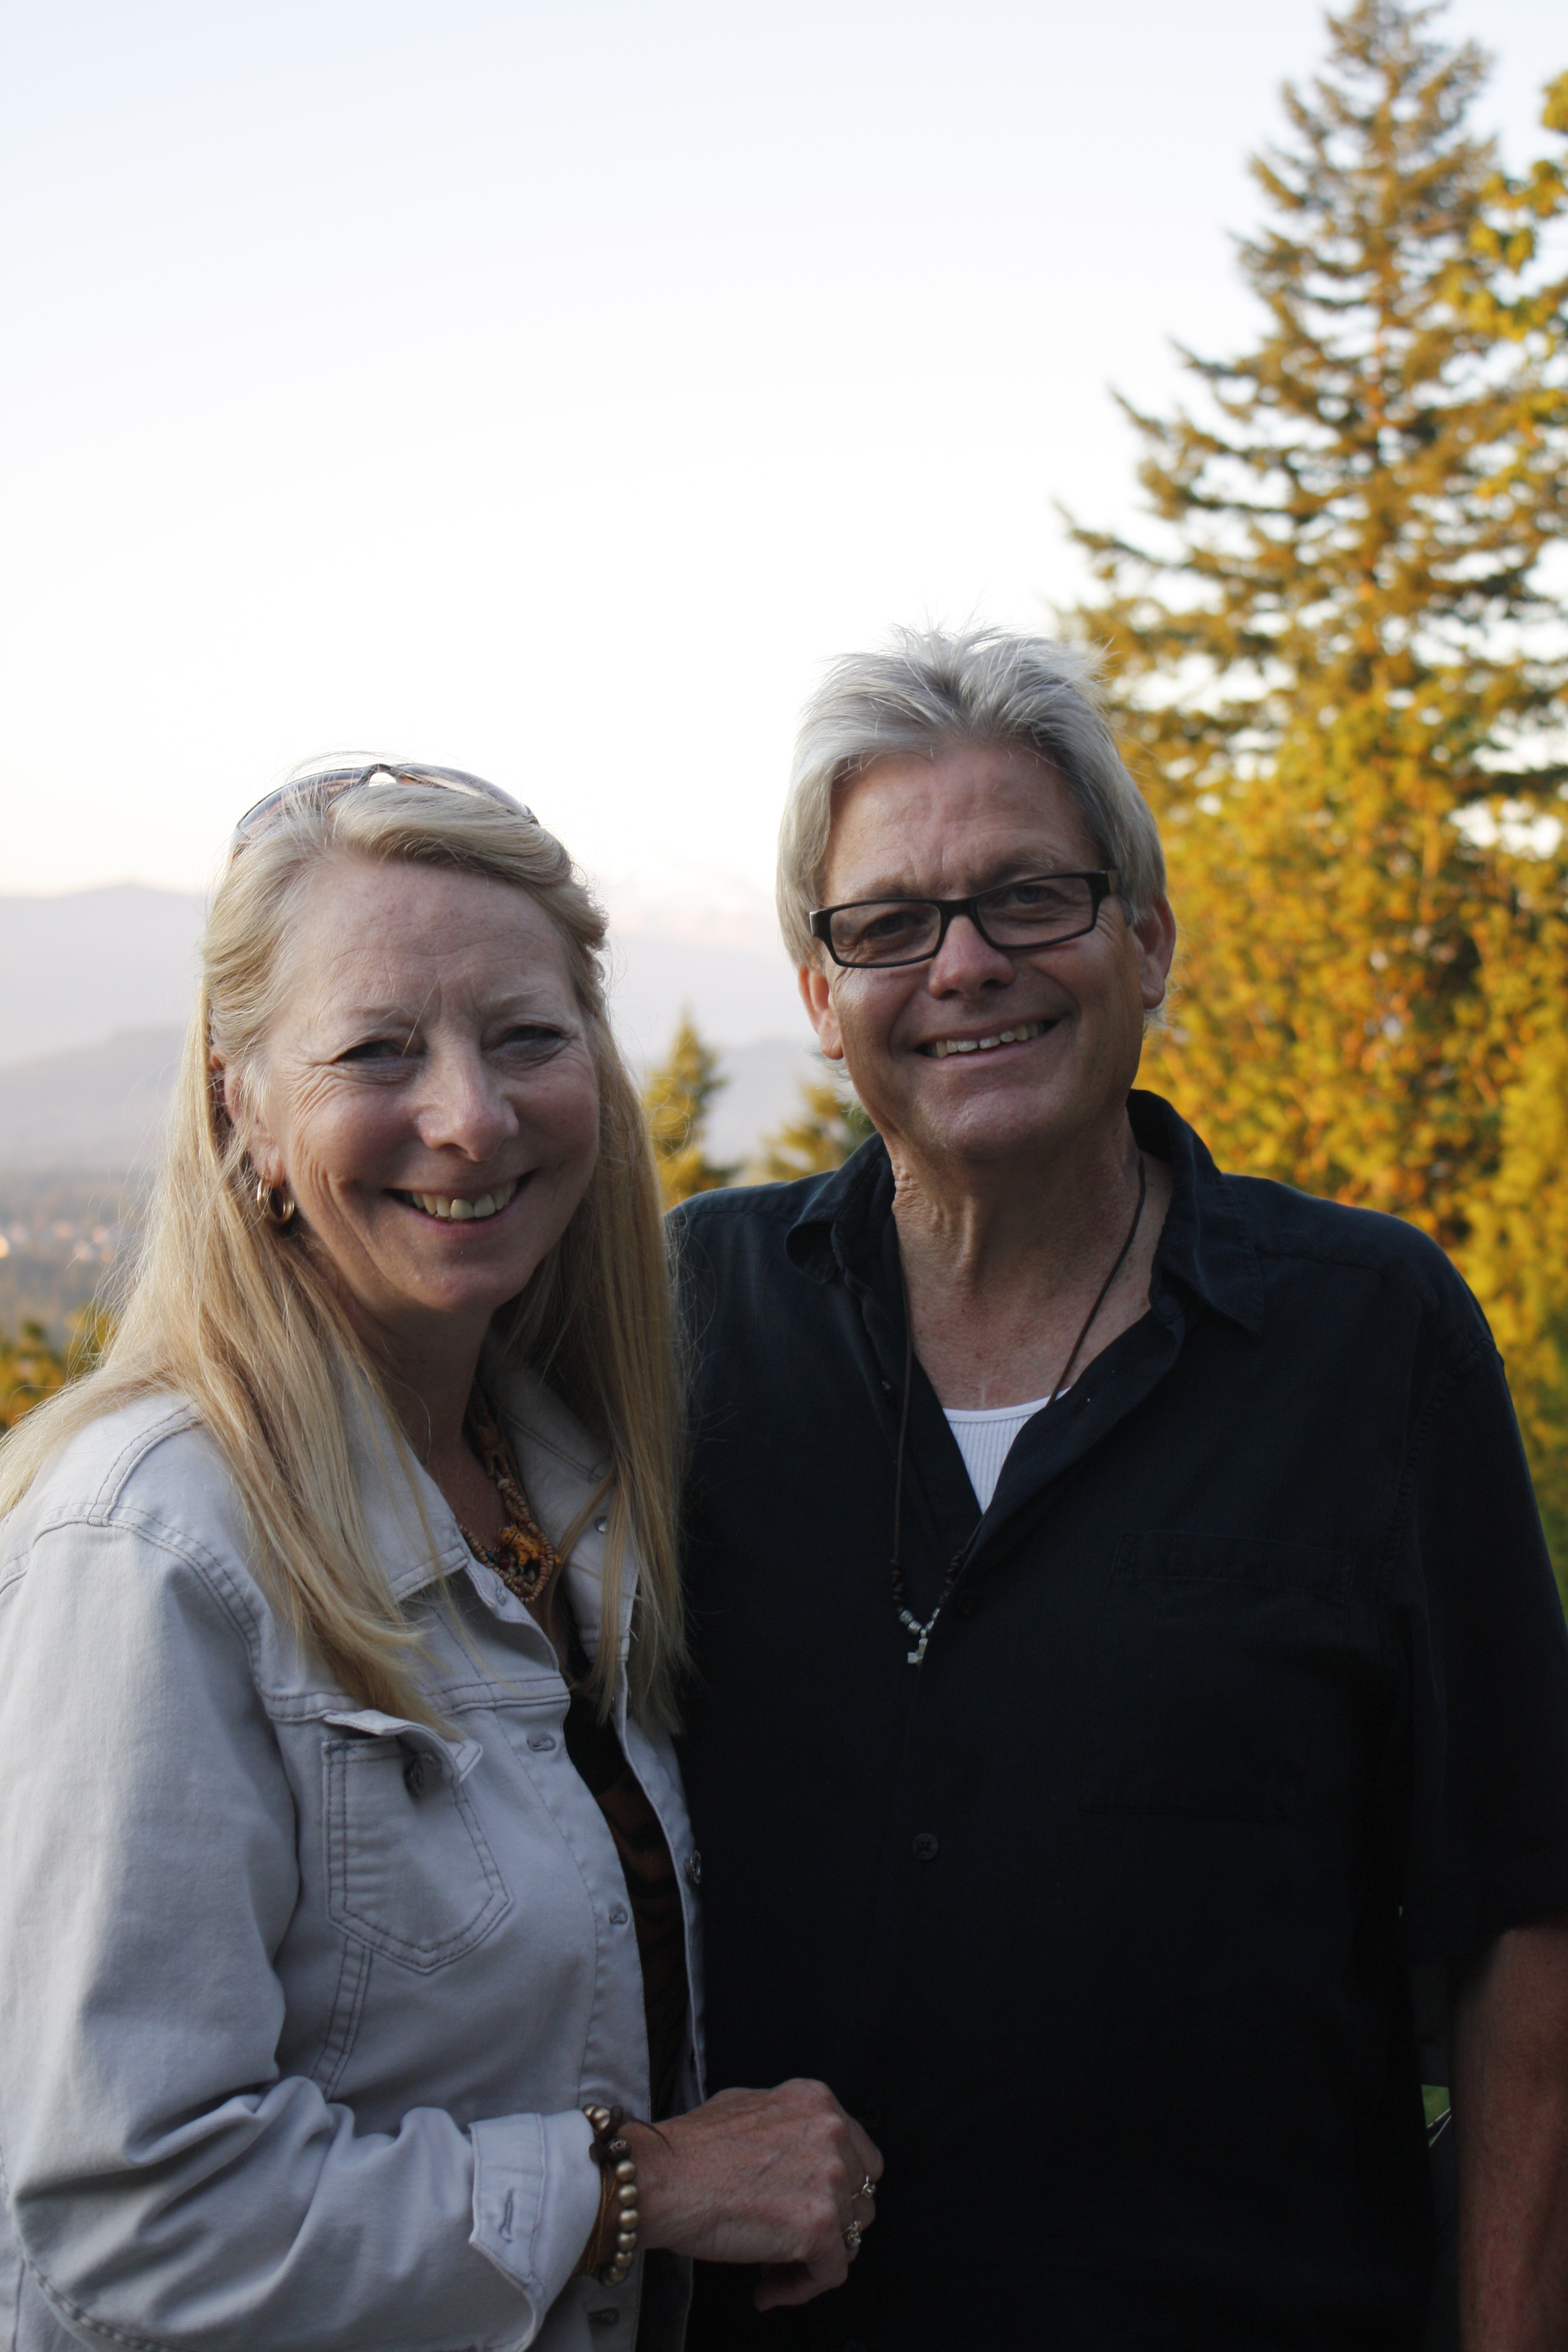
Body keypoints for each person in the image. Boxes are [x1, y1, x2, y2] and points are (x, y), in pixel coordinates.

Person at [673, 633, 1568, 2351]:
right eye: (890, 924)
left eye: (1031, 897)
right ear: (822, 995)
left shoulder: (1373, 1339)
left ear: (1146, 939)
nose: (965, 965)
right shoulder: (685, 1324)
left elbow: (1524, 1919)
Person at [0, 763, 880, 2352]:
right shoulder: (151, 1544)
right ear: (240, 1106)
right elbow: (127, 2217)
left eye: (527, 1037)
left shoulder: (577, 1481)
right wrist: (641, 2188)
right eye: (377, 1051)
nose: (470, 1116)